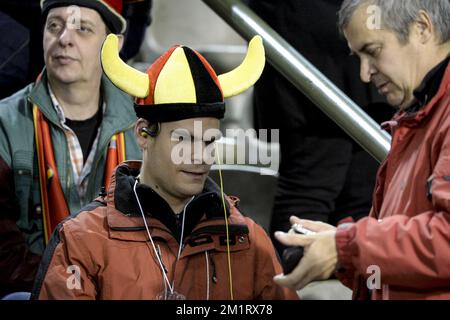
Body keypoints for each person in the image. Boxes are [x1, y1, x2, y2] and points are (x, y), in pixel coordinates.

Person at [31, 34, 298, 300]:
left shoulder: (247, 239)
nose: (199, 157)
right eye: (184, 139)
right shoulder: (83, 239)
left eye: (209, 141)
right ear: (143, 135)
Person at [273, 0, 450, 300]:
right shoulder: (415, 117)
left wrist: (347, 246)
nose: (364, 75)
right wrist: (338, 245)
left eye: (373, 51)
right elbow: (407, 260)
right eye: (358, 57)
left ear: (422, 28)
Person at [0, 0, 142, 296]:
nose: (64, 38)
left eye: (83, 28)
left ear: (112, 46)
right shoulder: (4, 123)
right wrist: (73, 287)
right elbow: (3, 255)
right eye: (54, 26)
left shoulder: (144, 129)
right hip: (36, 291)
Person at [246, 0, 394, 255]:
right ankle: (287, 288)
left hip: (370, 25)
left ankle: (355, 285)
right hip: (313, 34)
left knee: (366, 191)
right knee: (312, 183)